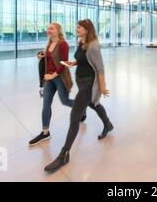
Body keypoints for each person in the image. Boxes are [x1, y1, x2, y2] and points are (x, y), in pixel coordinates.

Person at [44, 19, 113, 173]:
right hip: (81, 82)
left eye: (79, 27)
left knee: (75, 117)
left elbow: (100, 68)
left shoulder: (94, 45)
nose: (77, 29)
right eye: (77, 26)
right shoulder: (82, 42)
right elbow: (83, 60)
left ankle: (64, 154)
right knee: (94, 105)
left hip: (88, 84)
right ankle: (108, 124)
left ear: (87, 29)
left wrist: (102, 87)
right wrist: (73, 63)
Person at [29, 23, 86, 146]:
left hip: (59, 77)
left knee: (65, 101)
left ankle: (81, 108)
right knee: (46, 105)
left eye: (51, 28)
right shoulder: (49, 43)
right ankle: (45, 132)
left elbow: (63, 63)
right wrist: (42, 56)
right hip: (48, 79)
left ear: (58, 30)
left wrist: (53, 75)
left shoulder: (63, 44)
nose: (48, 30)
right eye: (48, 28)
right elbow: (50, 57)